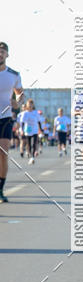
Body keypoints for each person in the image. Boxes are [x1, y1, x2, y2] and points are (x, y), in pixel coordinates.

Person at [0, 42, 24, 202]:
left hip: (5, 118)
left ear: (7, 55)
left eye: (2, 52)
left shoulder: (14, 75)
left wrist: (18, 103)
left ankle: (0, 190)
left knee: (3, 153)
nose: (0, 54)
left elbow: (20, 95)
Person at [20, 98, 43, 165]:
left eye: (31, 105)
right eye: (29, 105)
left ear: (33, 105)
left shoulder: (36, 113)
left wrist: (40, 129)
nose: (30, 106)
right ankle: (30, 156)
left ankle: (32, 157)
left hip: (35, 130)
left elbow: (39, 122)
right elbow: (22, 123)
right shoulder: (25, 113)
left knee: (34, 143)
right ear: (27, 105)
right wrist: (22, 130)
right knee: (29, 144)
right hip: (27, 130)